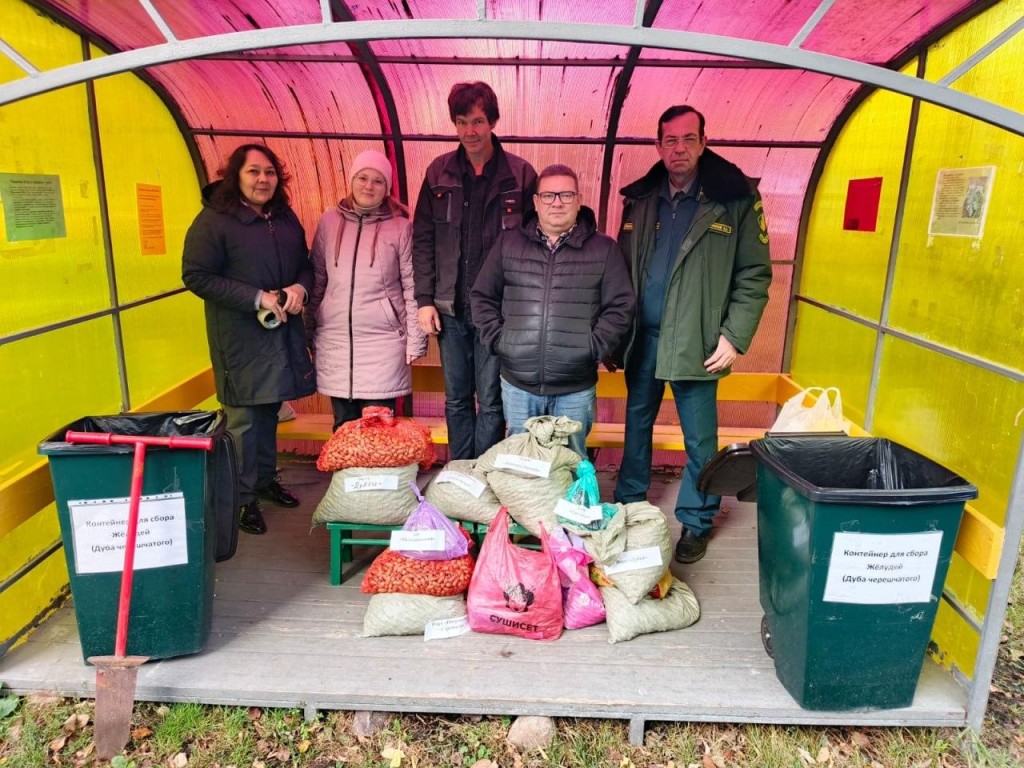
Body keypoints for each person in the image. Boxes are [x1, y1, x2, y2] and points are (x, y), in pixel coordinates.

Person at [612, 105, 772, 564]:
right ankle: (629, 505)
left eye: (687, 139)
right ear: (658, 144)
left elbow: (754, 274)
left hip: (700, 344)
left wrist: (734, 338)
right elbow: (619, 271)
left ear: (703, 142)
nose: (678, 149)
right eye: (669, 140)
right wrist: (616, 333)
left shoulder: (736, 198)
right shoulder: (641, 198)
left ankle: (697, 523)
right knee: (636, 426)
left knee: (700, 441)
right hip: (644, 338)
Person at [182, 144, 315, 536]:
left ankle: (263, 481)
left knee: (270, 411)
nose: (262, 180)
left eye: (269, 172)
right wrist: (256, 297)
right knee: (243, 420)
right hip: (239, 338)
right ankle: (242, 501)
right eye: (253, 172)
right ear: (235, 176)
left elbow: (306, 265)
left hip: (280, 332)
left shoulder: (284, 217)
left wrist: (298, 290)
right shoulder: (215, 221)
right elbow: (196, 276)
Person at [471, 164, 635, 457]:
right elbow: (483, 296)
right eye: (548, 195)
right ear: (535, 202)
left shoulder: (604, 249)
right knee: (522, 465)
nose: (557, 202)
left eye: (565, 195)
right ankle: (526, 506)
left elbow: (620, 306)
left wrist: (593, 347)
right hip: (518, 383)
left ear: (579, 199)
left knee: (570, 461)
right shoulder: (509, 243)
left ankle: (571, 505)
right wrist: (500, 340)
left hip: (575, 385)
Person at [412, 81, 538, 459]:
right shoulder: (438, 173)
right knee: (456, 399)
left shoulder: (520, 175)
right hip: (449, 310)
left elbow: (532, 244)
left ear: (493, 121)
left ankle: (483, 473)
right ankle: (458, 473)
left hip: (497, 312)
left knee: (492, 400)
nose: (470, 131)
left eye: (479, 121)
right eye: (462, 122)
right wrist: (424, 300)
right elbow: (423, 239)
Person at [305, 150, 427, 430]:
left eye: (378, 181)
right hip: (336, 340)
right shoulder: (328, 222)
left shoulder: (400, 227)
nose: (368, 186)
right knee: (343, 429)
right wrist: (308, 330)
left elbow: (412, 286)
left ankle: (375, 477)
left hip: (383, 344)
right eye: (362, 178)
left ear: (387, 189)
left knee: (378, 432)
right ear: (351, 180)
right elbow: (318, 280)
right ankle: (345, 476)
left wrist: (415, 340)